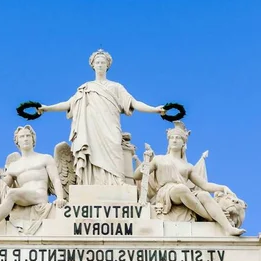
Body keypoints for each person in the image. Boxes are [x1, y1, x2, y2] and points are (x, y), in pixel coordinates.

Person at [37, 49, 165, 185]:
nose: (99, 65)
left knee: (115, 151)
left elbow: (134, 102)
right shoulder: (86, 87)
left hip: (110, 126)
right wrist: (47, 108)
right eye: (97, 62)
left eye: (102, 62)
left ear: (107, 65)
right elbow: (69, 104)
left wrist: (154, 109)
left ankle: (116, 182)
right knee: (91, 153)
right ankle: (91, 183)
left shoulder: (116, 87)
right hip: (91, 127)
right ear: (92, 65)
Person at [134, 122, 245, 236]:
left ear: (183, 143)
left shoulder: (188, 166)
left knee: (203, 195)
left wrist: (222, 187)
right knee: (182, 188)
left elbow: (205, 185)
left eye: (178, 138)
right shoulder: (159, 159)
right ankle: (210, 217)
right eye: (172, 138)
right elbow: (136, 176)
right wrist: (143, 166)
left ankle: (228, 228)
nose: (174, 140)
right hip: (166, 193)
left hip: (183, 192)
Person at [0, 125, 66, 235]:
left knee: (12, 193)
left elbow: (55, 179)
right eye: (22, 137)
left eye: (28, 136)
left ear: (33, 139)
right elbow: (4, 187)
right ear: (17, 141)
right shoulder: (13, 165)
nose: (25, 139)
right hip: (21, 197)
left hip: (38, 196)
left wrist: (60, 197)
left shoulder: (45, 158)